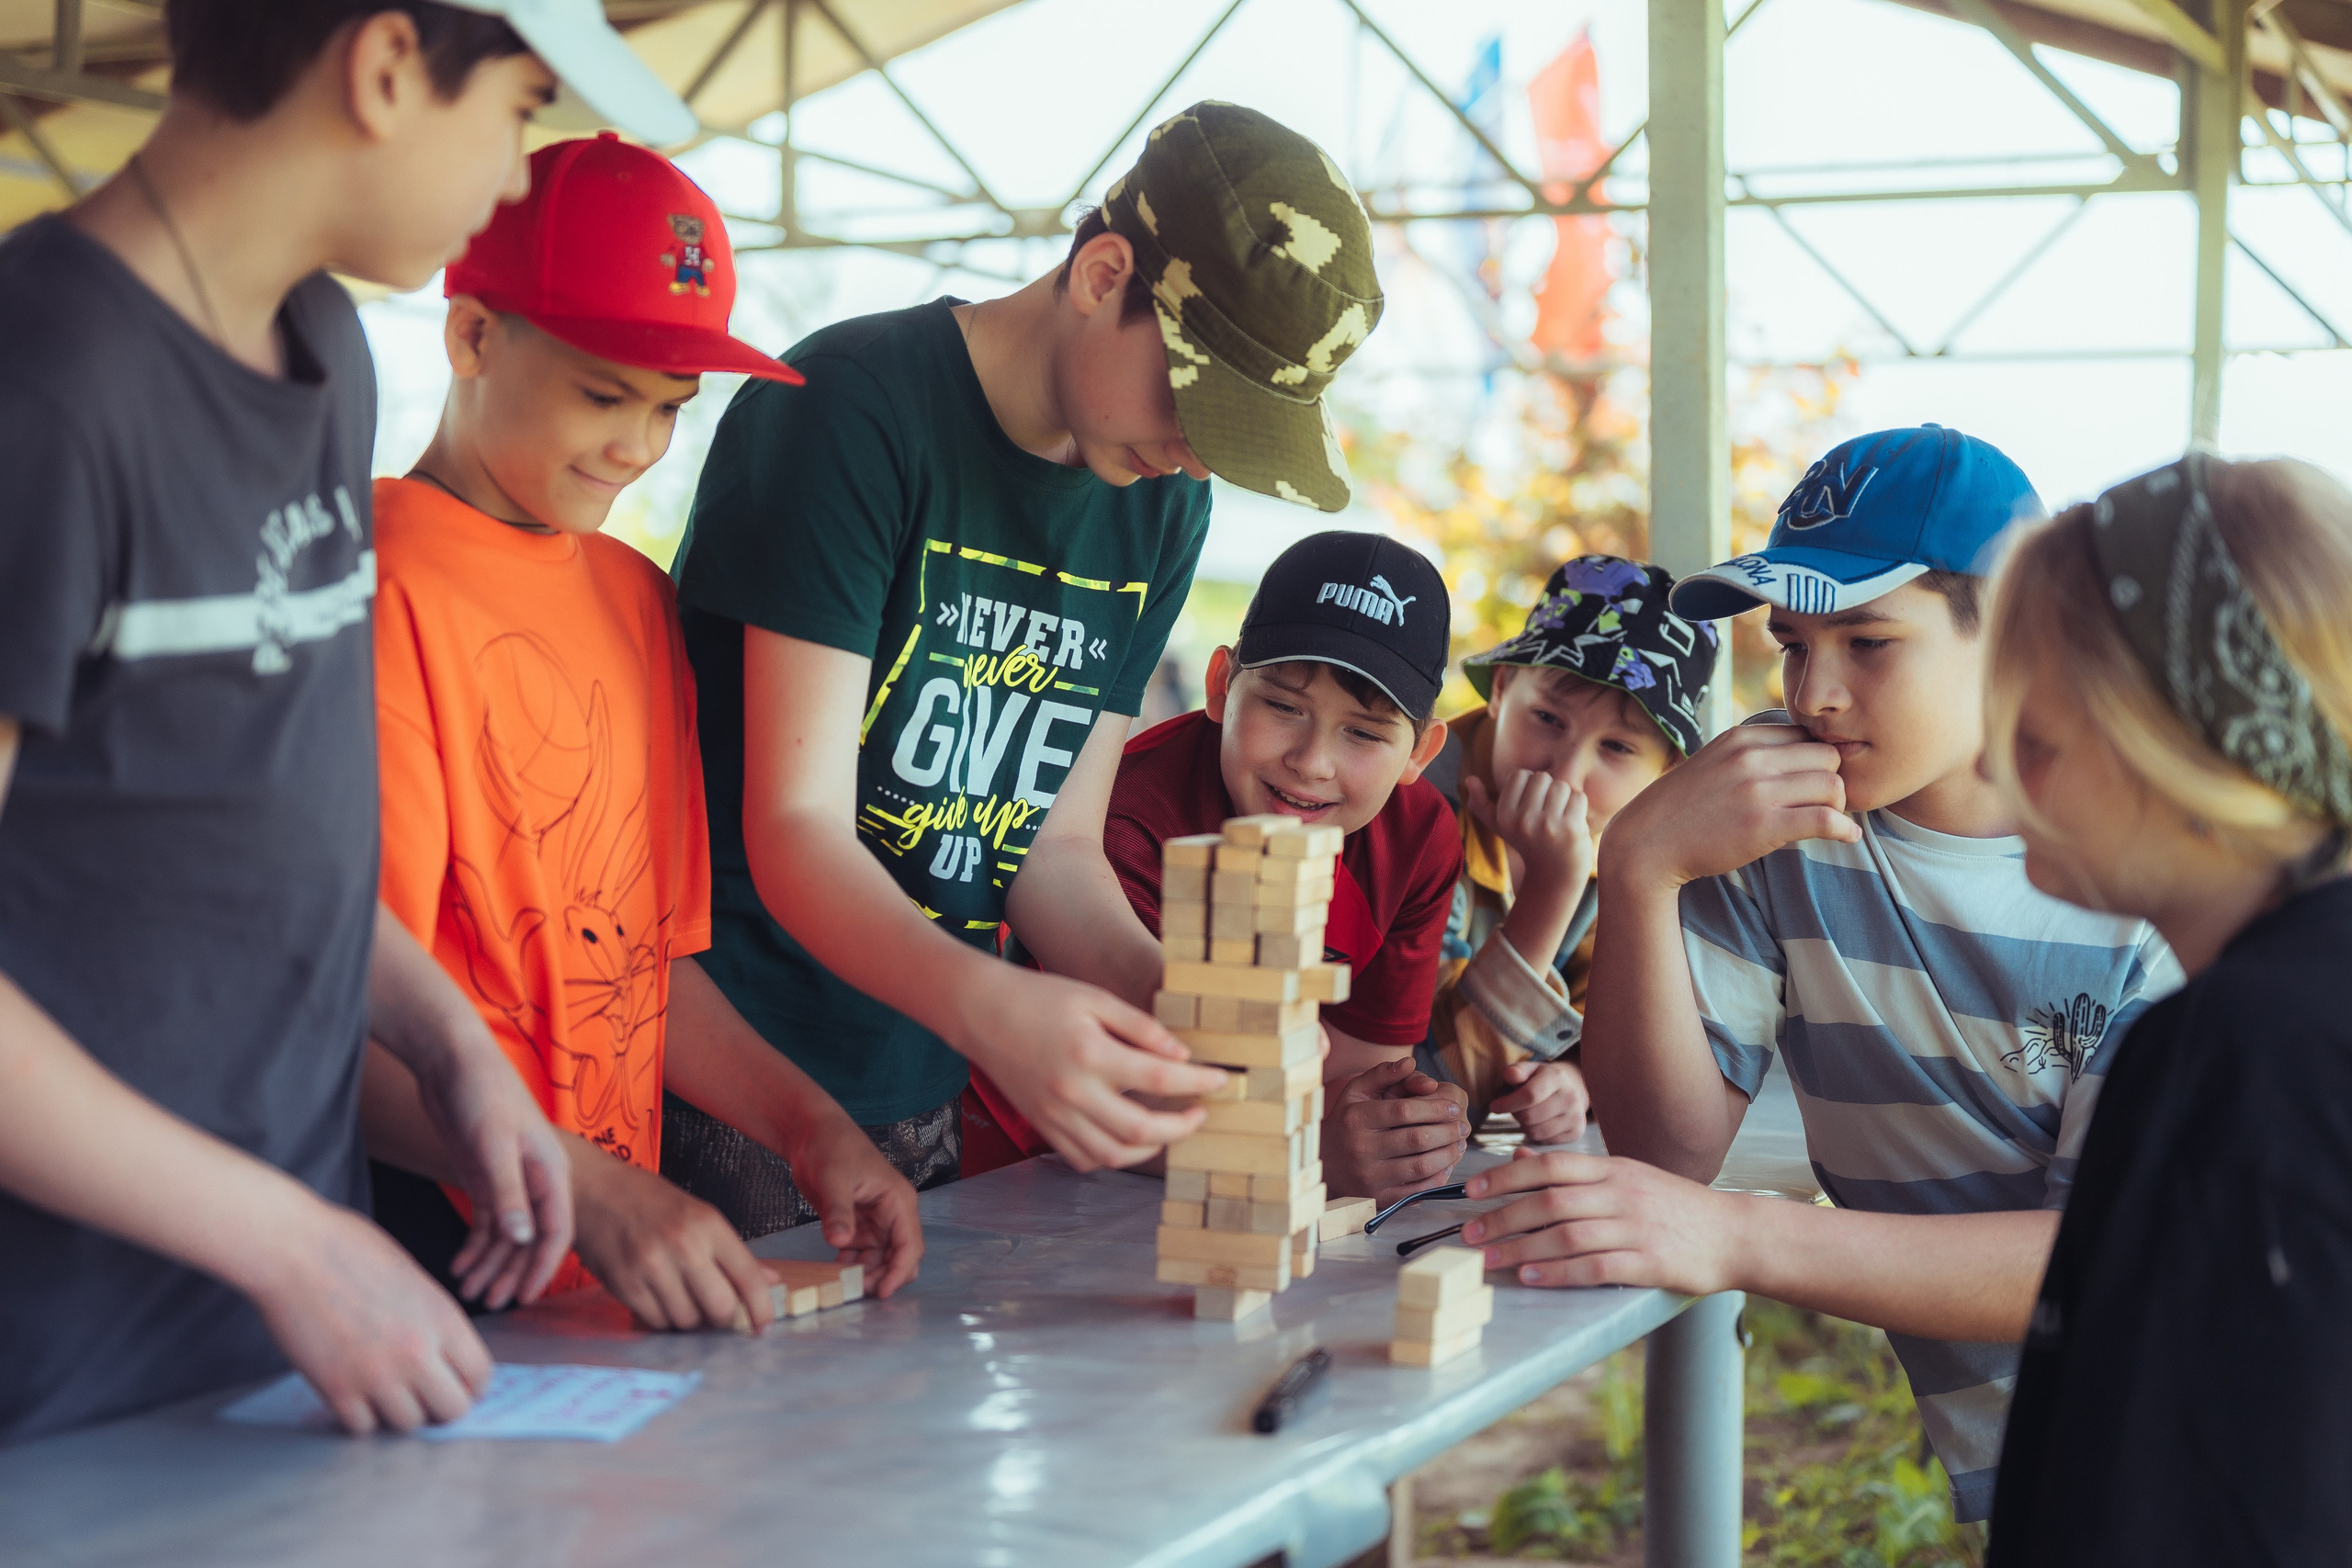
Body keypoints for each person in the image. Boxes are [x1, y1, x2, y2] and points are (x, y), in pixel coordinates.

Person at [0, 0, 697, 1440]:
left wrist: (451, 1046)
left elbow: (254, 831)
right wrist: (288, 1238)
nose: (515, 172)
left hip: (293, 1346)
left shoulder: (325, 351)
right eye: (515, 108)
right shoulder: (44, 376)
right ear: (386, 69)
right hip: (61, 1369)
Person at [660, 103, 1386, 1231]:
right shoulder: (851, 411)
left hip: (923, 1066)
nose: (1197, 453)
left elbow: (1052, 847)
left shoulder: (1160, 501)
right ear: (1102, 275)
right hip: (737, 1065)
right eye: (1196, 404)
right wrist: (994, 1008)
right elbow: (796, 828)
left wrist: (1184, 1017)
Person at [1456, 425, 2179, 1523]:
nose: (1815, 696)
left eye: (1869, 643)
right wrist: (1642, 866)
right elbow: (1665, 1151)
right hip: (2024, 1474)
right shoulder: (1772, 823)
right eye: (1791, 643)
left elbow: (2088, 1259)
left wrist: (1745, 1237)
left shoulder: (2142, 878)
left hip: (2206, 1442)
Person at [359, 135, 923, 1336]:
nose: (637, 445)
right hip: (419, 1261)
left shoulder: (633, 596)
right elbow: (335, 1018)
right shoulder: (372, 584)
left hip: (598, 1262)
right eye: (602, 393)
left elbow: (647, 964)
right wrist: (576, 1179)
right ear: (471, 338)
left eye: (672, 407)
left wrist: (808, 1124)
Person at [1982, 456, 2352, 1564]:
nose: (2002, 787)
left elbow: (2174, 1509)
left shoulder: (2238, 1056)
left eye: (2036, 743)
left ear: (2189, 742)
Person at [961, 533, 1469, 1204]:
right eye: (1284, 706)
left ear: (1421, 750)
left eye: (1365, 733)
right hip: (1028, 1174)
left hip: (1233, 1173)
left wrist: (1401, 1129)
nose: (1312, 760)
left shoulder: (1422, 836)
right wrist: (1304, 1153)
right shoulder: (1117, 822)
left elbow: (1360, 1071)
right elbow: (1113, 1089)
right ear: (1221, 685)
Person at [1421, 555, 1719, 1137]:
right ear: (1502, 689)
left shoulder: (1642, 851)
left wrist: (1580, 1080)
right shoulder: (1416, 811)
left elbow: (1625, 1026)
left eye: (1617, 748)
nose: (1565, 772)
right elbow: (1432, 1091)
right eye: (1548, 719)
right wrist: (1554, 888)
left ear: (1667, 771)